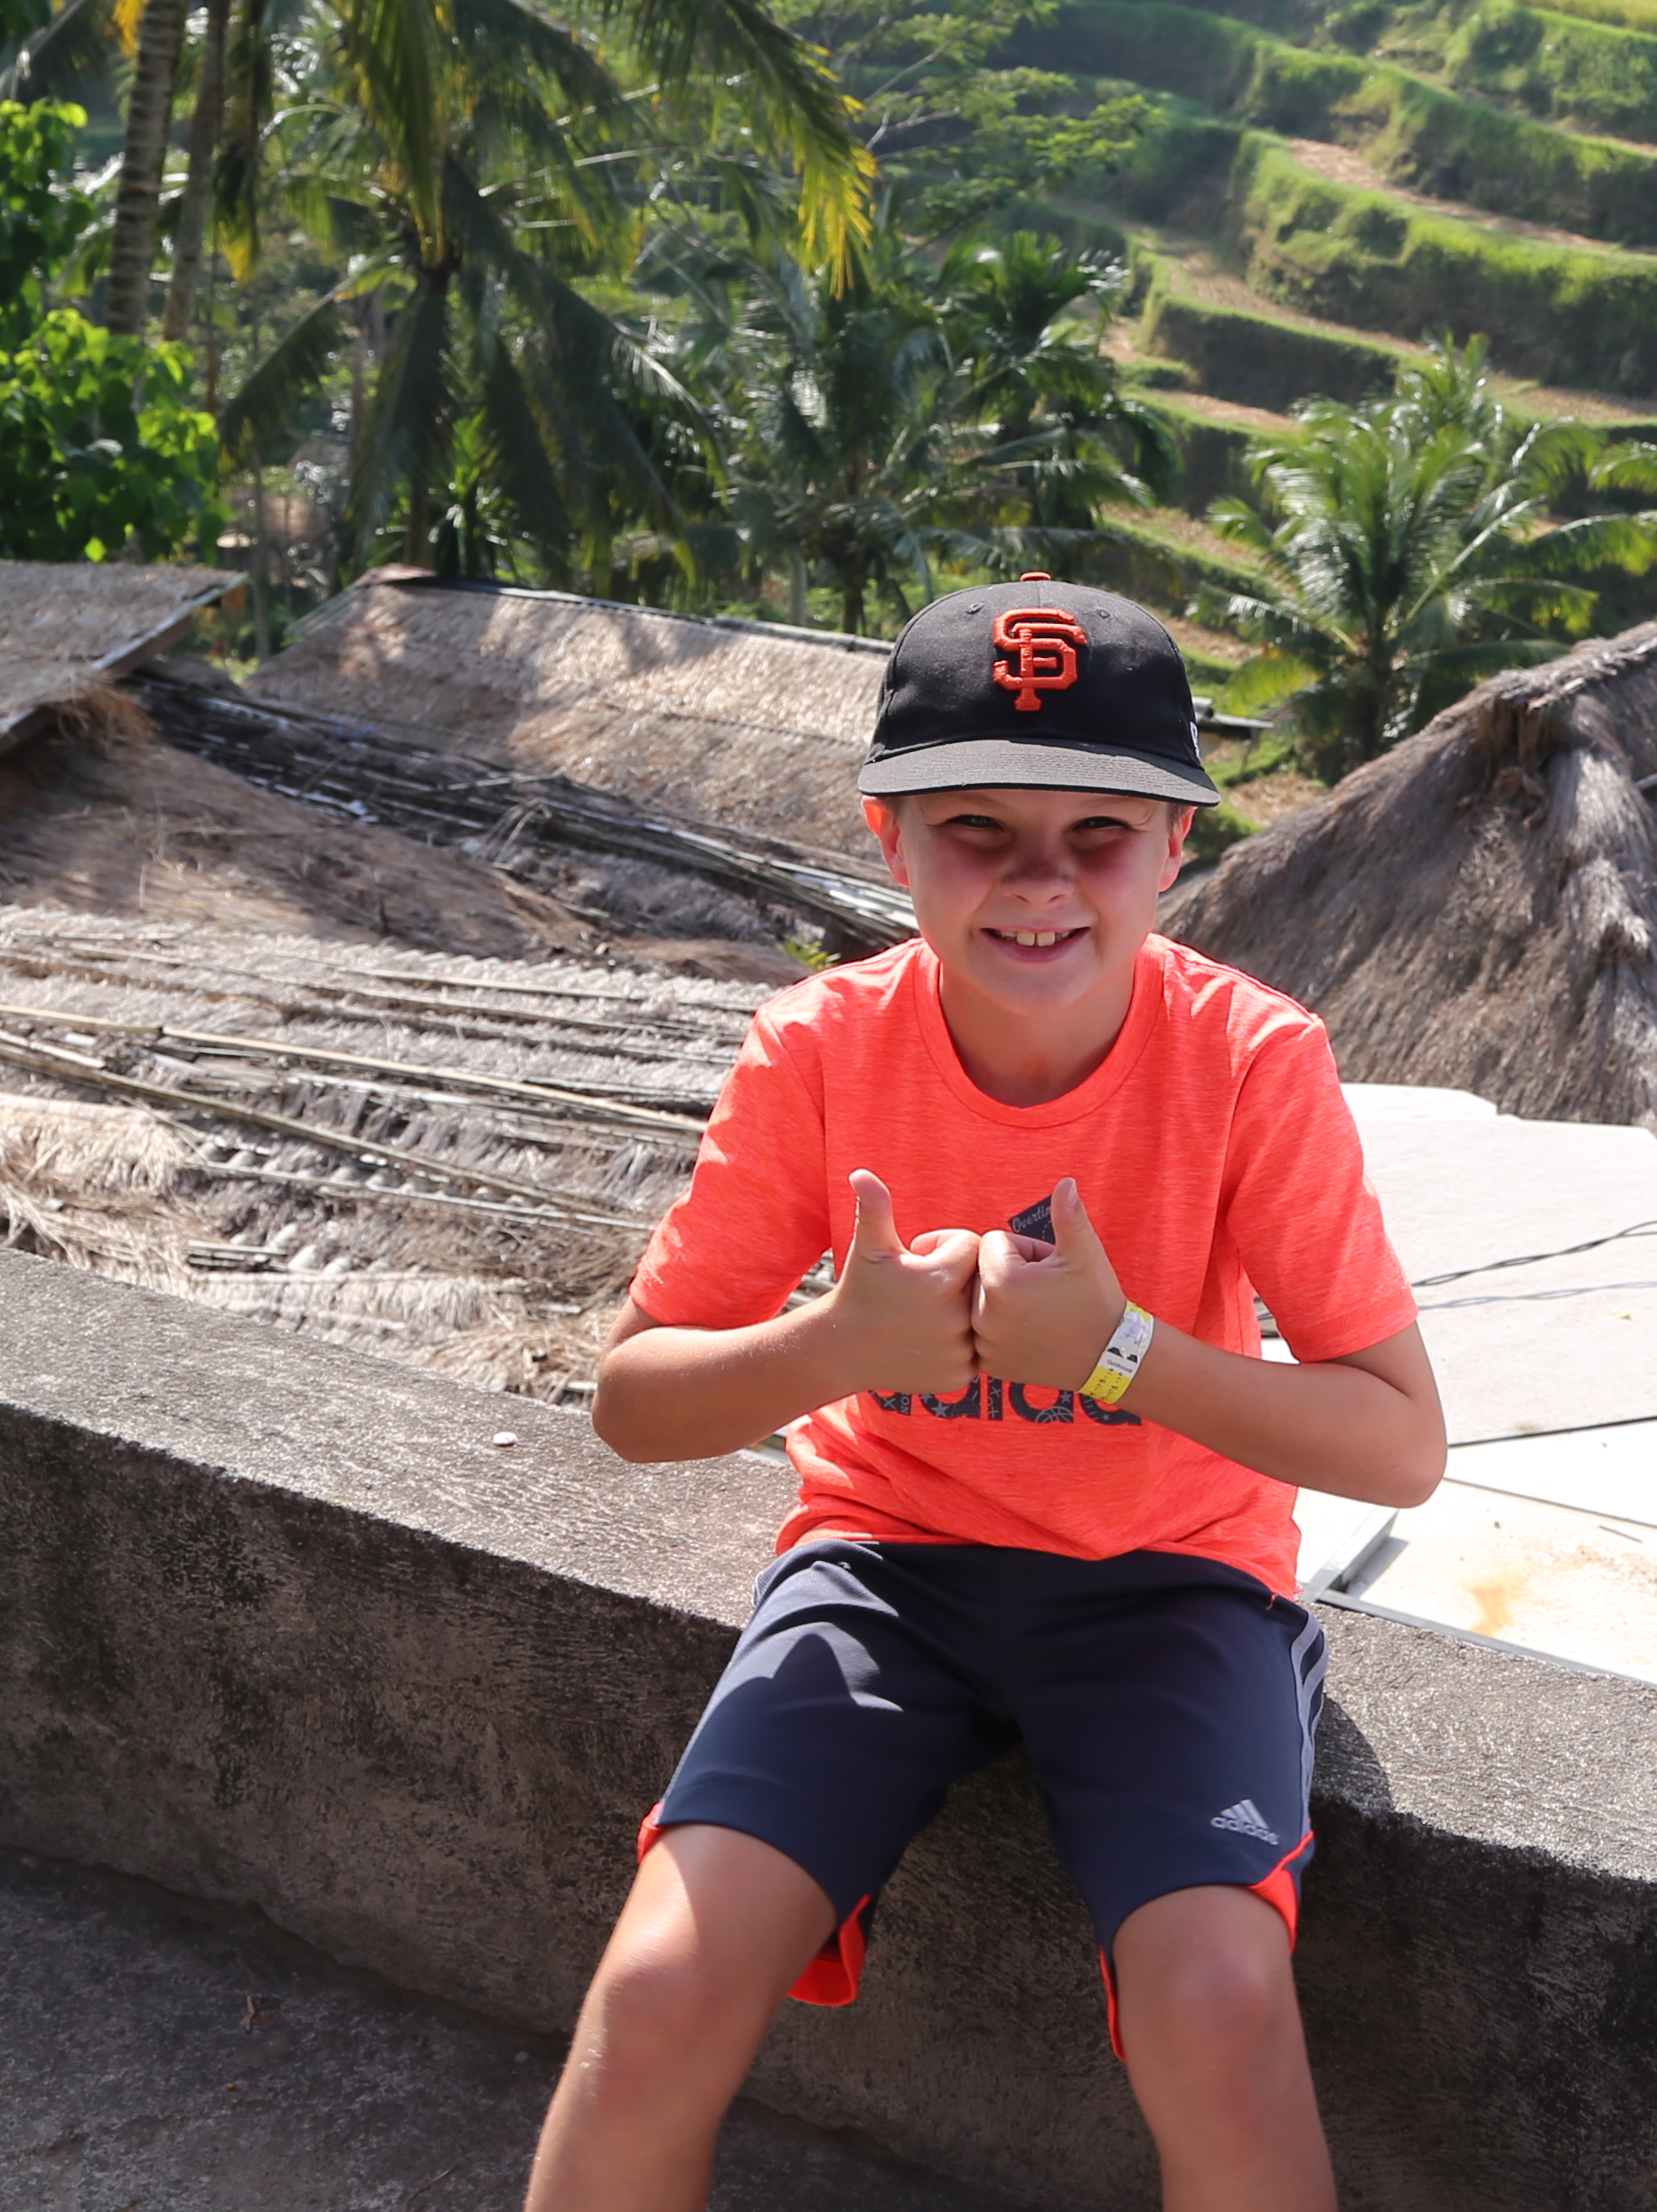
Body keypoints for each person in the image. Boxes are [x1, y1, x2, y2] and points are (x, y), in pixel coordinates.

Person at [526, 579, 1446, 2212]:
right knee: (660, 1985)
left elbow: (1399, 1442)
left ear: (1178, 850)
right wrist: (835, 1350)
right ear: (891, 839)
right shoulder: (819, 1049)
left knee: (1221, 2012)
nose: (1040, 882)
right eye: (979, 829)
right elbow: (633, 1396)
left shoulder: (1250, 1063)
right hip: (887, 1569)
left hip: (1174, 1584)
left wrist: (1117, 1354)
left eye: (1100, 832)